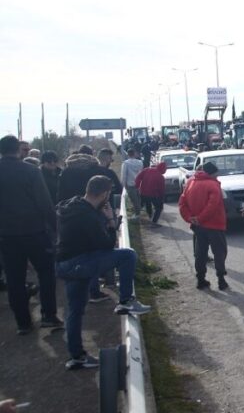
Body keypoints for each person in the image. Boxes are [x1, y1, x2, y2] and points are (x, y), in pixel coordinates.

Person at [55, 175, 151, 370]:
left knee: (75, 311)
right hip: (79, 263)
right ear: (105, 194)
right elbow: (106, 245)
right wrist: (110, 223)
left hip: (64, 264)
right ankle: (125, 302)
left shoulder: (72, 205)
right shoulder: (88, 215)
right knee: (128, 255)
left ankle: (77, 357)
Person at [0, 135, 60, 335]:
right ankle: (48, 316)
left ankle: (23, 323)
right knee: (46, 273)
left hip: (7, 236)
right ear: (18, 150)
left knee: (14, 279)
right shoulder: (30, 171)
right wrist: (56, 228)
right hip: (34, 231)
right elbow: (44, 203)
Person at [178, 162, 228, 290]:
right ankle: (221, 280)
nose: (217, 176)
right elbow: (212, 206)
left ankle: (200, 279)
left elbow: (182, 203)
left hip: (198, 227)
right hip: (215, 225)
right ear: (212, 173)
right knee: (219, 252)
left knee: (200, 253)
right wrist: (200, 218)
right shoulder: (213, 184)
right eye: (216, 174)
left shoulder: (190, 182)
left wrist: (190, 218)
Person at [135, 161, 167, 225]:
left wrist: (137, 186)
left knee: (146, 204)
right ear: (163, 169)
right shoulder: (160, 177)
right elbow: (161, 190)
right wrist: (162, 200)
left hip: (143, 193)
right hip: (153, 195)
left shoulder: (147, 170)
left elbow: (138, 177)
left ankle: (148, 217)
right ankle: (154, 222)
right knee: (159, 208)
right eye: (165, 169)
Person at [120, 148, 144, 215]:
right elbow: (142, 173)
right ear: (134, 154)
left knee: (134, 201)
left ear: (128, 154)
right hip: (139, 184)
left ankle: (137, 214)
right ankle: (138, 213)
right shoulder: (140, 162)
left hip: (130, 185)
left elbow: (124, 175)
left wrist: (123, 185)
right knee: (139, 200)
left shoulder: (126, 163)